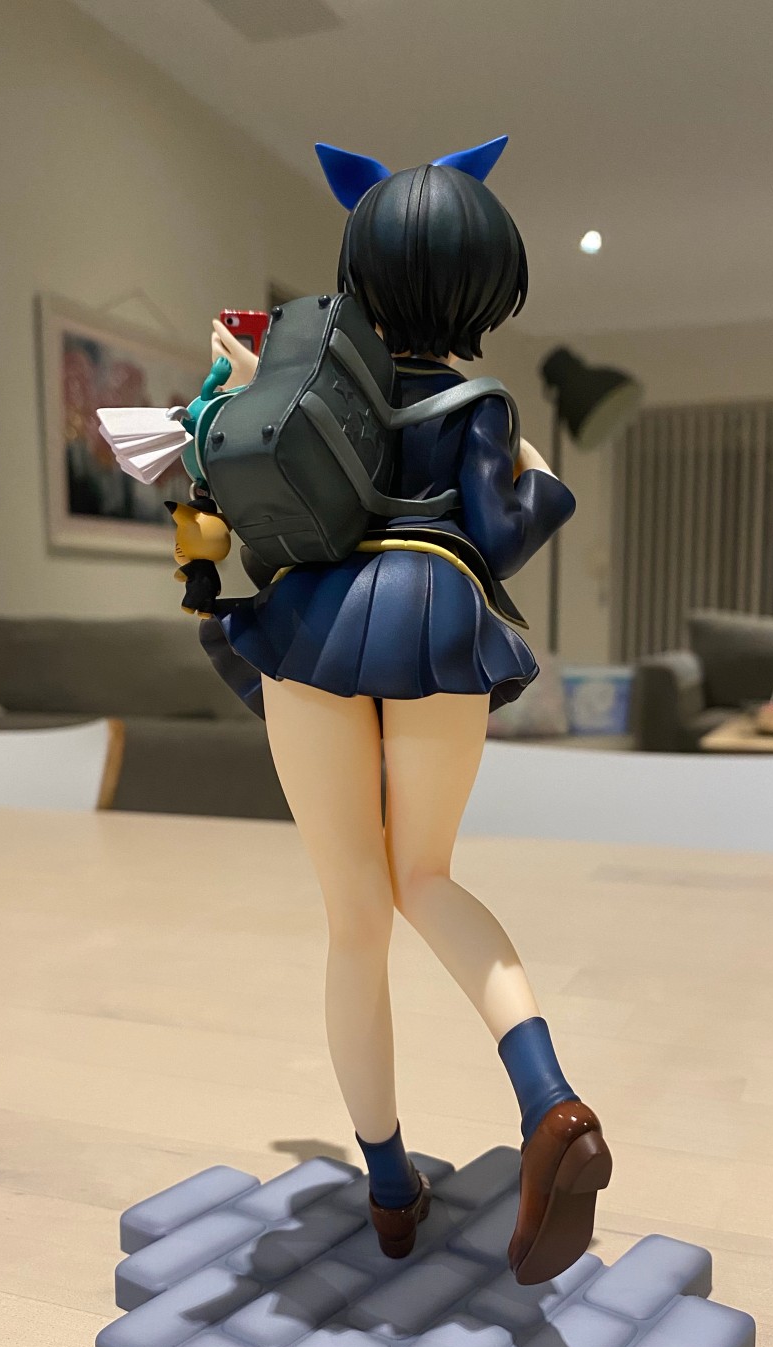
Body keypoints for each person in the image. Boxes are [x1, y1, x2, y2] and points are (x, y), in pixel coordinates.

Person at [195, 138, 612, 1285]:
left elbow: (245, 493)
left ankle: (389, 1192)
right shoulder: (481, 405)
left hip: (313, 628)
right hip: (437, 621)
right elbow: (505, 533)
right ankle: (552, 1101)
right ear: (483, 285)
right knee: (426, 876)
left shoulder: (304, 384)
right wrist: (535, 464)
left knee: (353, 919)